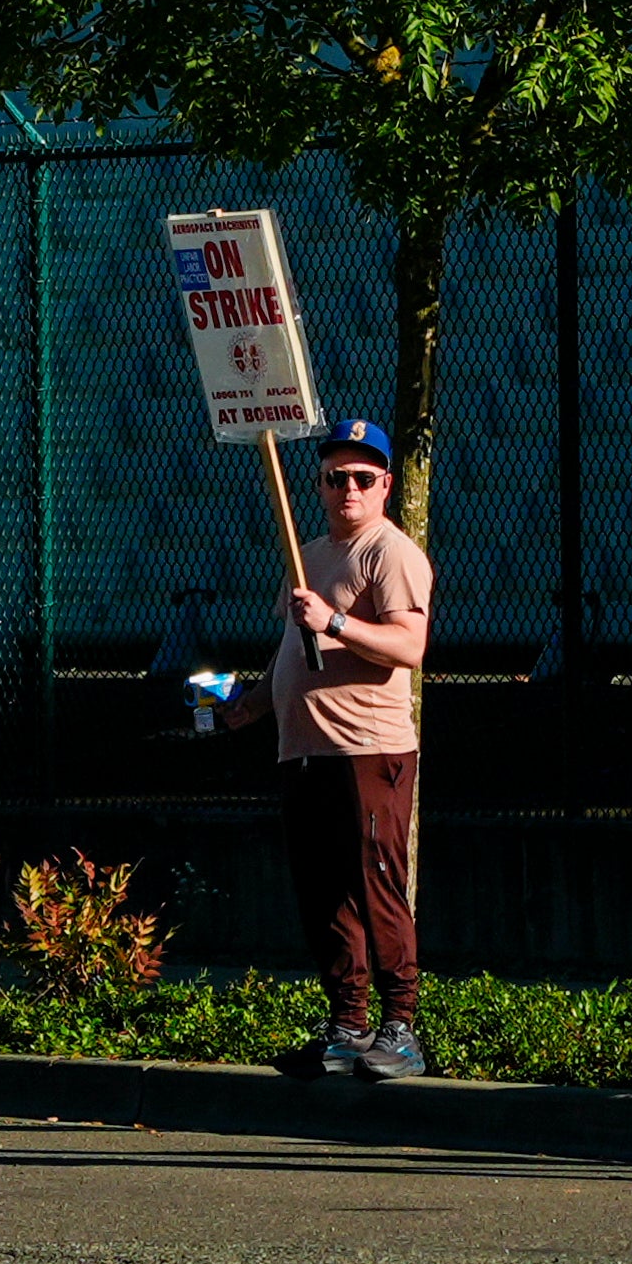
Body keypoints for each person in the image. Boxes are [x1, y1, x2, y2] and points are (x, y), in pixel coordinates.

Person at [208, 419, 438, 1077]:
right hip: (302, 749)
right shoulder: (304, 553)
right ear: (318, 484)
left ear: (386, 485)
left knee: (376, 883)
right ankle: (347, 1024)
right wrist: (248, 706)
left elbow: (408, 647)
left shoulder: (390, 552)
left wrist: (334, 619)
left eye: (363, 477)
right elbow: (290, 650)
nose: (349, 488)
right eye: (336, 476)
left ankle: (400, 1026)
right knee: (323, 890)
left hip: (366, 747)